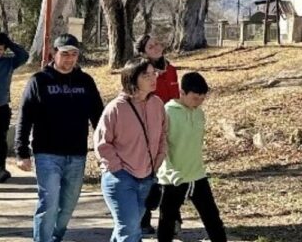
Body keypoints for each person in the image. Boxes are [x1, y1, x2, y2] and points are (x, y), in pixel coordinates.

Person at [14, 33, 104, 242]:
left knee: (68, 206)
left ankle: (55, 236)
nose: (69, 59)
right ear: (54, 54)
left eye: (74, 54)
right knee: (49, 202)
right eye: (65, 54)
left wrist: (104, 148)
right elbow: (25, 117)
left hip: (77, 154)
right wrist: (21, 152)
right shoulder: (39, 81)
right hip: (47, 154)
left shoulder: (86, 81)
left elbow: (99, 118)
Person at [94, 57, 167, 242]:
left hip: (147, 178)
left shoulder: (157, 104)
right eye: (146, 75)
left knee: (126, 229)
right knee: (131, 231)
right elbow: (102, 143)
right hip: (121, 179)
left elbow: (163, 136)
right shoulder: (116, 108)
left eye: (154, 74)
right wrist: (118, 168)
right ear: (132, 78)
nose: (153, 78)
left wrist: (156, 164)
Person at [156, 72, 227, 242]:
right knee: (167, 221)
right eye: (195, 98)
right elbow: (160, 146)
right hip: (172, 178)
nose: (199, 102)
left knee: (212, 218)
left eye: (202, 98)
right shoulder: (167, 113)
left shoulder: (199, 113)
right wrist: (170, 171)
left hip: (197, 175)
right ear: (182, 92)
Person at [133, 34, 179, 234]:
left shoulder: (171, 70)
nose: (157, 48)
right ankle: (143, 220)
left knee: (170, 175)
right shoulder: (137, 70)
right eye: (151, 46)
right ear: (143, 51)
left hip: (167, 126)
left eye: (159, 44)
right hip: (145, 127)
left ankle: (171, 220)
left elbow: (175, 98)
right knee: (147, 176)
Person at [0, 32, 29, 183]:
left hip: (2, 107)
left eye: (0, 49)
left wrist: (9, 43)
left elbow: (24, 55)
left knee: (1, 140)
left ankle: (0, 169)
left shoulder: (8, 62)